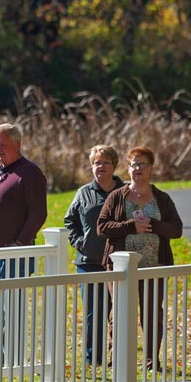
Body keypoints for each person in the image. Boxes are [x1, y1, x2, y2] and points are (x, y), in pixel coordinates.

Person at [97, 146, 183, 371]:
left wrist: (153, 225)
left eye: (142, 164)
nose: (137, 169)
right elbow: (102, 226)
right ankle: (117, 359)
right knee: (120, 311)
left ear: (151, 169)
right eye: (133, 164)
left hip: (154, 264)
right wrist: (130, 226)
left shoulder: (161, 198)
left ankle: (152, 361)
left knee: (153, 314)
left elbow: (177, 229)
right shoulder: (117, 196)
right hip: (120, 267)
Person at [0, 123, 48, 364]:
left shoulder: (29, 173)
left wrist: (20, 242)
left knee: (9, 305)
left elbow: (39, 213)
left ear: (17, 144)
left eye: (2, 144)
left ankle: (11, 357)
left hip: (12, 252)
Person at [64, 145, 125, 365]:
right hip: (89, 262)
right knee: (93, 313)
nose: (100, 167)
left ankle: (116, 357)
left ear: (114, 166)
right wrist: (81, 243)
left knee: (119, 312)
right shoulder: (83, 193)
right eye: (96, 163)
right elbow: (69, 222)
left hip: (118, 262)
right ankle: (94, 359)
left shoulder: (125, 192)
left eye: (105, 162)